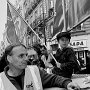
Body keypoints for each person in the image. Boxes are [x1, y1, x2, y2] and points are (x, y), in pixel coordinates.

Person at [0, 44, 80, 90]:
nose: (26, 59)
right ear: (9, 58)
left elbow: (53, 79)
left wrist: (67, 83)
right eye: (21, 56)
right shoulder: (1, 80)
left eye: (26, 55)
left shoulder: (34, 71)